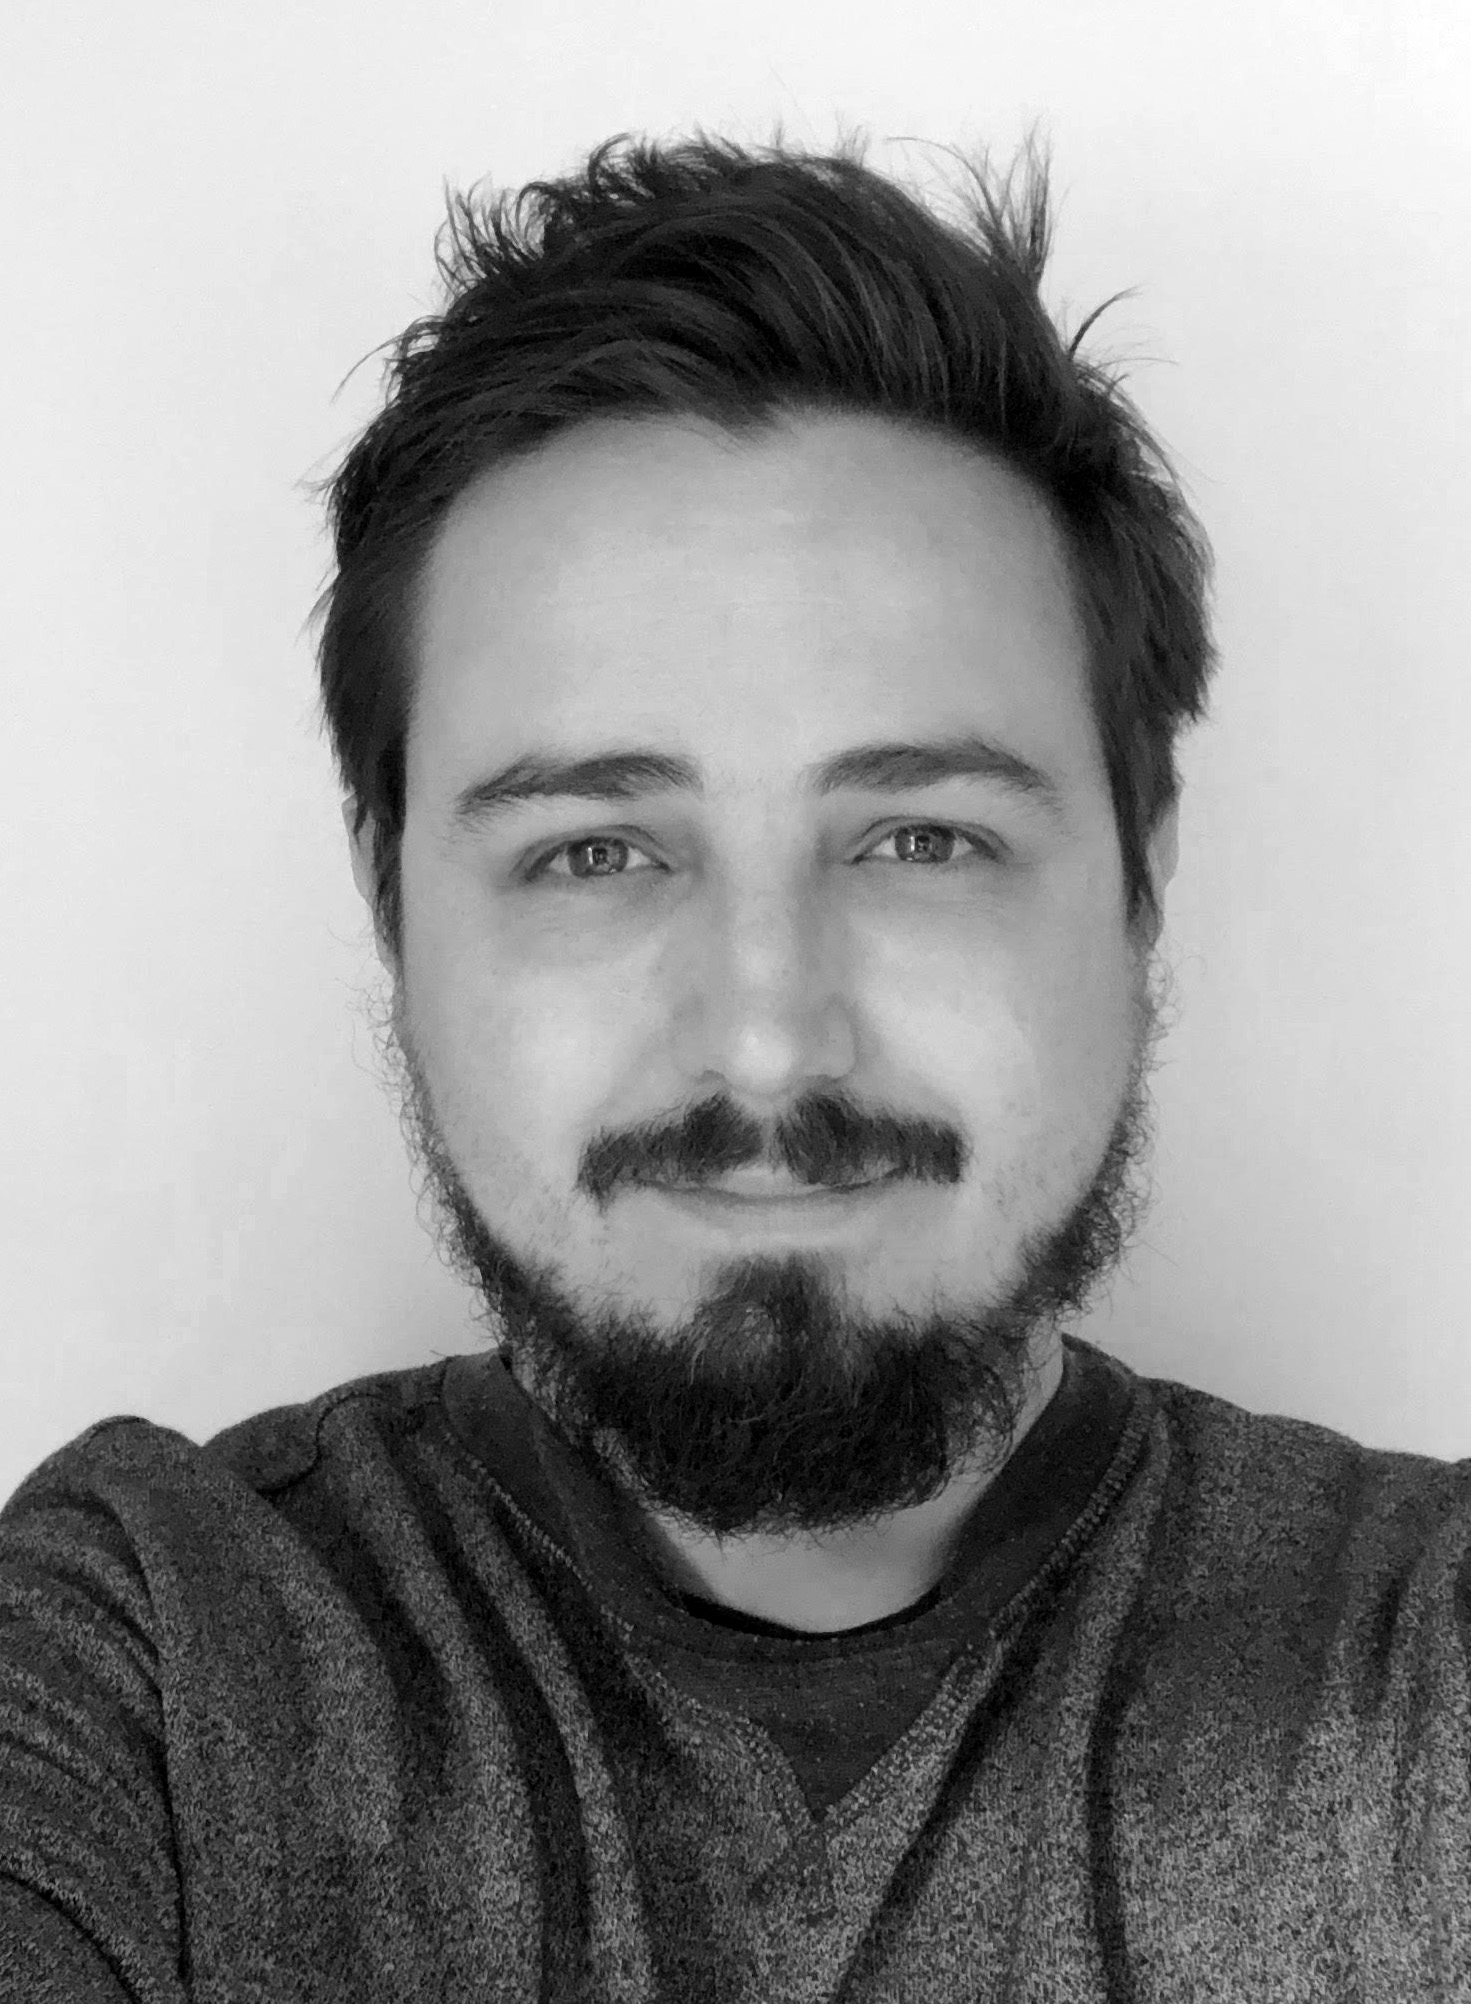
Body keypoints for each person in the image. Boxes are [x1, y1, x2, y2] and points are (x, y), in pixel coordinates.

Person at [1, 125, 1466, 2002]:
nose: (770, 1039)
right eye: (595, 852)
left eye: (923, 838)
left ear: (1141, 873)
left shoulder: (1421, 1677)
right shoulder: (144, 1665)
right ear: (388, 898)